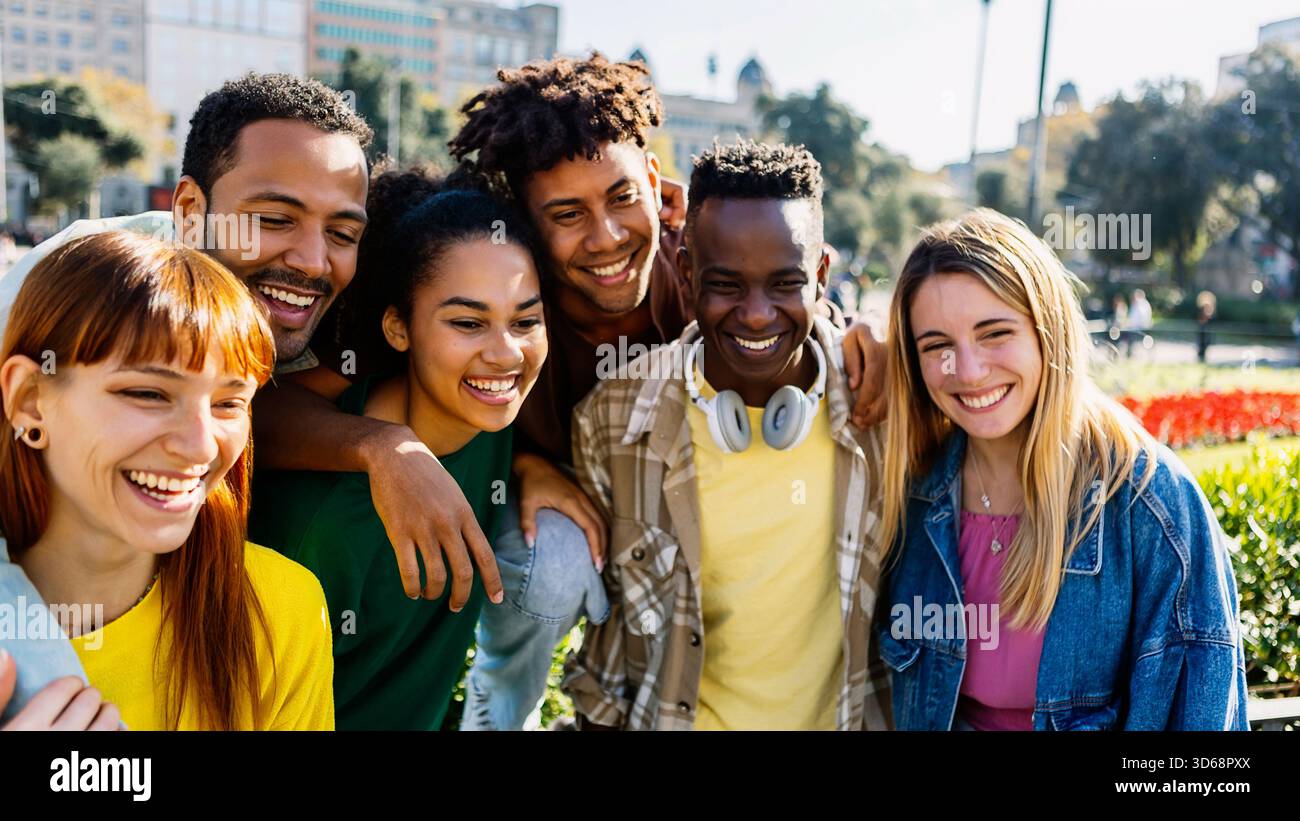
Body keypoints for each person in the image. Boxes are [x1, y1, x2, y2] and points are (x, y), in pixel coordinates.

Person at [430, 53, 888, 729]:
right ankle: (499, 712)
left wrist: (857, 328)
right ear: (525, 222)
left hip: (667, 499)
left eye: (622, 198)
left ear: (654, 183)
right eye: (567, 214)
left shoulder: (696, 260)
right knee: (552, 566)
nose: (607, 237)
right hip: (560, 501)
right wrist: (520, 465)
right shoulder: (509, 294)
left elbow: (776, 288)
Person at [876, 209, 1248, 730]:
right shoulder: (913, 494)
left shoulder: (1150, 502)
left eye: (994, 333)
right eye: (937, 346)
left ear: (1046, 330)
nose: (968, 370)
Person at [563, 140, 892, 730]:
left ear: (820, 276)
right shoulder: (612, 420)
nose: (758, 313)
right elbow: (607, 653)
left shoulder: (882, 409)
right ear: (686, 275)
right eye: (727, 285)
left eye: (785, 283)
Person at [248, 168, 547, 730]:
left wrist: (536, 470)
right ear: (398, 328)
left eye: (525, 320)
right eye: (467, 322)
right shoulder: (325, 526)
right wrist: (383, 450)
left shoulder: (490, 414)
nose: (506, 354)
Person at [0, 232, 333, 730]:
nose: (200, 446)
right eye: (148, 394)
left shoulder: (280, 610)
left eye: (228, 403)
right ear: (29, 399)